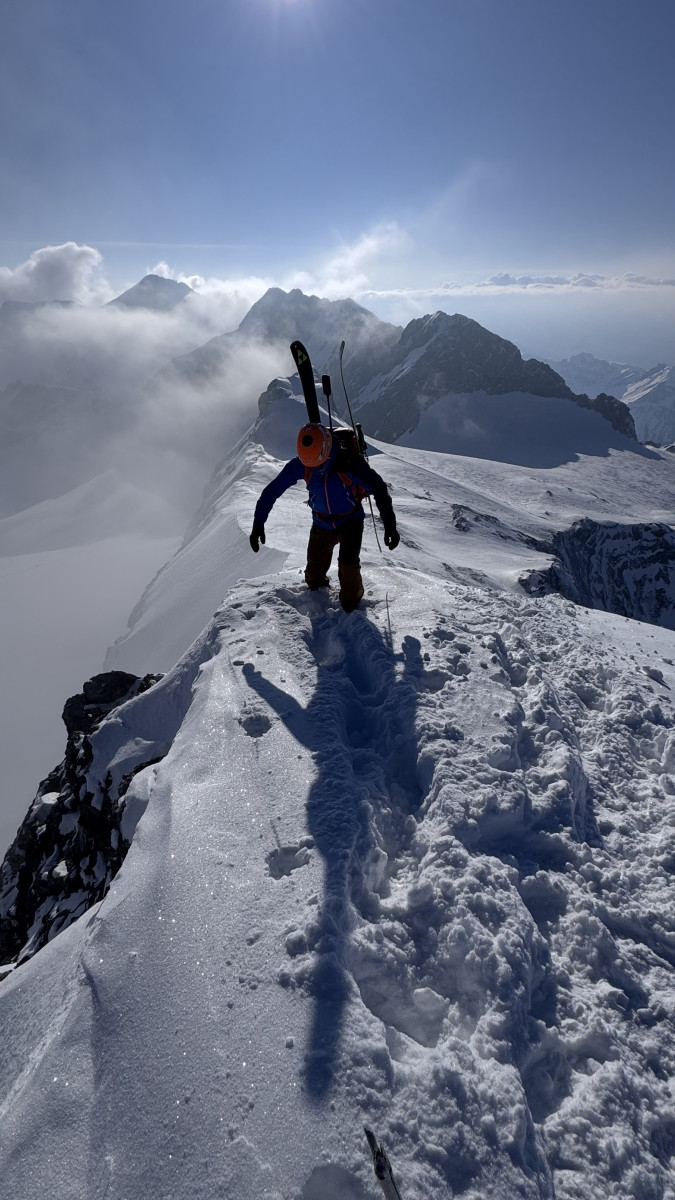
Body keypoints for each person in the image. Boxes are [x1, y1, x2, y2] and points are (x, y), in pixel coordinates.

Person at [249, 423, 399, 612]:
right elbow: (272, 491)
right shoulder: (303, 463)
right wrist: (258, 524)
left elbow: (379, 489)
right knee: (313, 578)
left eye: (319, 465)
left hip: (350, 520)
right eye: (311, 466)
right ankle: (320, 593)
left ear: (327, 451)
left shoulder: (349, 462)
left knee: (348, 568)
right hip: (322, 522)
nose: (316, 469)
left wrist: (390, 526)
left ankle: (352, 605)